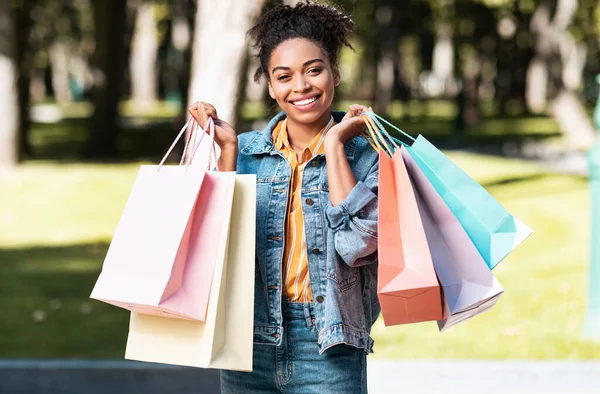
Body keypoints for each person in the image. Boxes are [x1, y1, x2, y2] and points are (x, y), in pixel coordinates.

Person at [188, 2, 379, 392]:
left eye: (314, 70)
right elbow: (217, 245)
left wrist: (337, 145)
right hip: (248, 338)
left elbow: (359, 244)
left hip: (329, 345)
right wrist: (226, 153)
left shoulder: (367, 155)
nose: (301, 86)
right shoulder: (245, 151)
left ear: (335, 73)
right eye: (284, 76)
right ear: (271, 86)